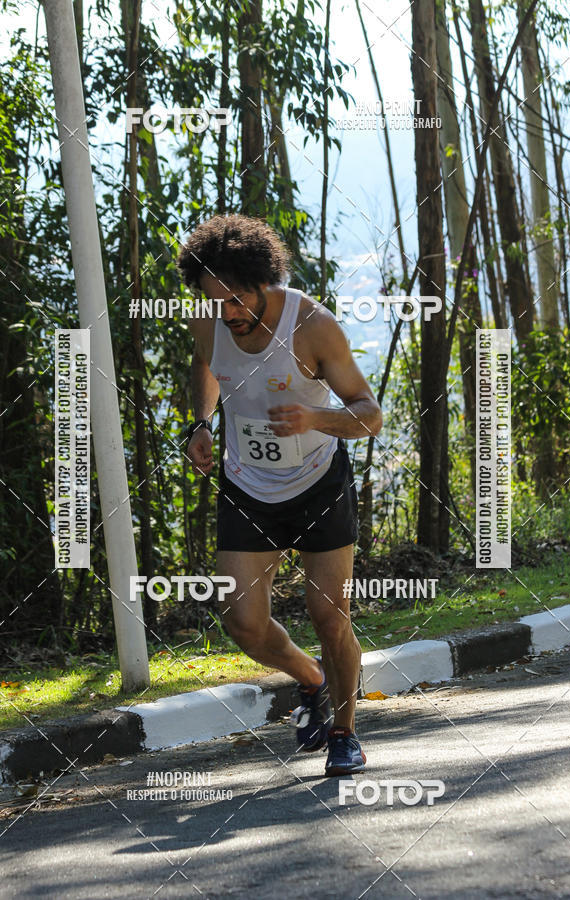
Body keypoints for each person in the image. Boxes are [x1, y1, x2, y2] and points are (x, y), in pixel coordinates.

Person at [177, 214, 382, 775]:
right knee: (242, 623)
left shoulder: (311, 324)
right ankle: (312, 679)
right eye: (216, 302)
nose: (229, 314)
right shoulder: (206, 320)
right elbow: (207, 364)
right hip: (247, 487)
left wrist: (314, 416)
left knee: (329, 614)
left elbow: (370, 415)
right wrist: (200, 424)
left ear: (263, 282)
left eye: (239, 300)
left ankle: (344, 732)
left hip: (318, 483)